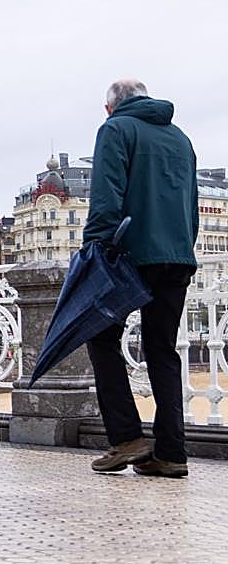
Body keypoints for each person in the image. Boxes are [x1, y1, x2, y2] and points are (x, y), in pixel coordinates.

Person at [84, 79, 198, 479]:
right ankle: (171, 454)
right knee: (162, 350)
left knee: (100, 337)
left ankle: (127, 437)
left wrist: (93, 249)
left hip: (129, 257)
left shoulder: (115, 130)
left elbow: (106, 195)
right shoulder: (180, 138)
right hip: (178, 256)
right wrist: (183, 247)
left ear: (110, 107)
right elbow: (191, 203)